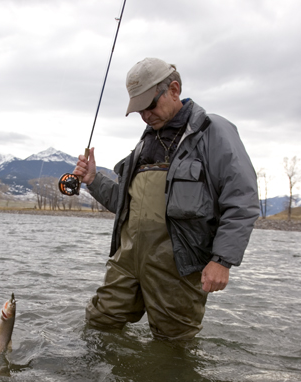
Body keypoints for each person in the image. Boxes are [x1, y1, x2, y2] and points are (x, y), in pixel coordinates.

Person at [73, 58, 259, 340]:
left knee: (174, 344)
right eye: (139, 110)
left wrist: (222, 260)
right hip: (127, 262)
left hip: (179, 268)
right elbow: (126, 204)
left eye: (150, 106)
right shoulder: (144, 143)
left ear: (174, 89)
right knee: (99, 324)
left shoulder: (214, 131)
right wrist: (92, 180)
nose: (145, 116)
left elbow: (242, 200)